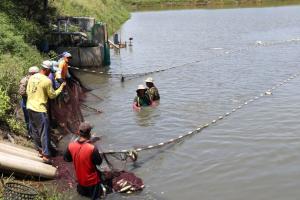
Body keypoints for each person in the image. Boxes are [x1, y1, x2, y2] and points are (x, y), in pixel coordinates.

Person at [26, 61, 66, 163]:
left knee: (35, 130)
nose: (50, 73)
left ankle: (40, 150)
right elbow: (52, 95)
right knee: (44, 133)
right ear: (47, 70)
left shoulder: (32, 77)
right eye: (50, 71)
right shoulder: (47, 81)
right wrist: (61, 88)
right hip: (40, 109)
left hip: (29, 107)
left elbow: (27, 91)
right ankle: (46, 155)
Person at [64, 122, 104, 199]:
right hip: (92, 182)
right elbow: (99, 162)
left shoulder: (71, 146)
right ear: (89, 134)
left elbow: (66, 159)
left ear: (78, 132)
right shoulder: (92, 148)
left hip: (80, 181)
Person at [18, 66, 39, 137]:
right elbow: (22, 92)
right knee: (30, 119)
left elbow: (22, 92)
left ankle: (30, 133)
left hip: (26, 102)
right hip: (28, 102)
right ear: (33, 73)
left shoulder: (26, 79)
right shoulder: (28, 80)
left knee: (29, 119)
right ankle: (31, 134)